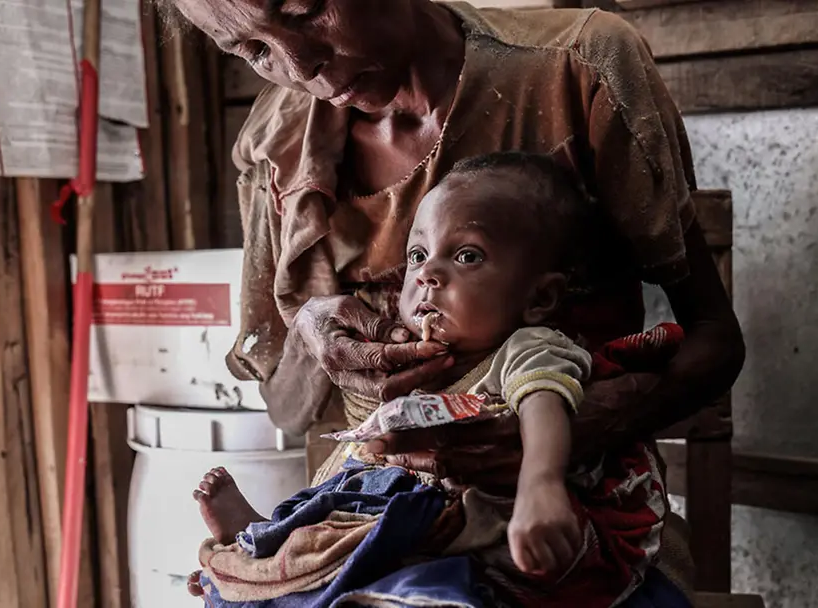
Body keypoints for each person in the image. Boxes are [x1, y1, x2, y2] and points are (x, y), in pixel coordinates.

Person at [160, 0, 745, 602]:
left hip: (550, 522)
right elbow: (285, 411)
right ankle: (265, 543)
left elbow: (716, 339)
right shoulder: (275, 144)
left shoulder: (574, 68)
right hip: (361, 522)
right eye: (254, 51)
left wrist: (568, 435)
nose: (304, 67)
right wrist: (311, 334)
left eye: (306, 9)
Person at [195, 152, 673, 606]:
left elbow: (544, 404)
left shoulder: (529, 347)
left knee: (395, 551)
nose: (428, 275)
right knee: (349, 499)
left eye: (466, 256)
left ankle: (283, 567)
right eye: (418, 254)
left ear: (540, 298)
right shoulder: (410, 363)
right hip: (407, 517)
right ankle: (268, 546)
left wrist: (540, 486)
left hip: (486, 526)